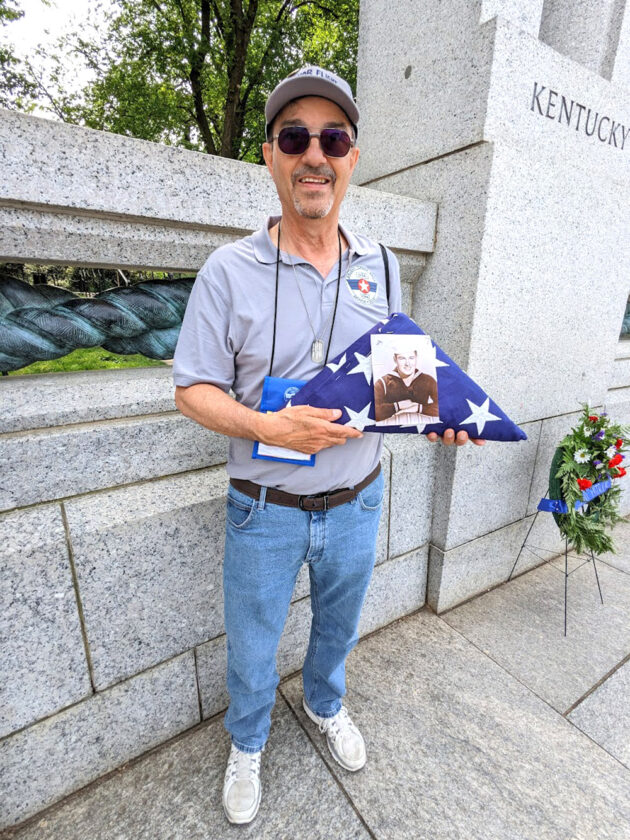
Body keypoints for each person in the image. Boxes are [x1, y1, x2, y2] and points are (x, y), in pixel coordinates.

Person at [172, 65, 485, 825]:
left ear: (352, 158)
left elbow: (397, 378)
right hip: (265, 507)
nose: (315, 154)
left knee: (338, 628)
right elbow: (192, 389)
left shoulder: (381, 265)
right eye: (295, 138)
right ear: (271, 156)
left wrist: (436, 415)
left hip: (357, 499)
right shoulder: (228, 270)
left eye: (333, 139)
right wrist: (268, 427)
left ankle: (323, 702)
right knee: (253, 645)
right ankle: (248, 741)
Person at [374, 348, 439, 424]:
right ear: (395, 359)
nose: (407, 363)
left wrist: (418, 408)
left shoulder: (428, 380)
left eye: (411, 358)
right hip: (393, 428)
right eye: (402, 358)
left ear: (416, 358)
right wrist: (397, 406)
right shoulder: (382, 382)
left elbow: (442, 407)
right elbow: (374, 412)